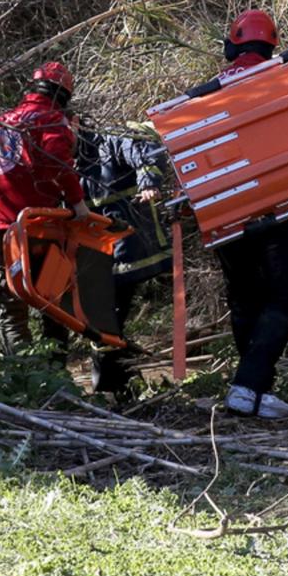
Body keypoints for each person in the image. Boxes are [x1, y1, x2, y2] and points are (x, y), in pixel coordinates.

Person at [213, 9, 288, 419]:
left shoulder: (209, 92)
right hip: (278, 207)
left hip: (225, 210)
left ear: (233, 43)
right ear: (272, 43)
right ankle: (249, 385)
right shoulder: (282, 80)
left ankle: (254, 390)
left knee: (245, 296)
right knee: (285, 294)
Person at [0, 61, 89, 357]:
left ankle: (23, 371)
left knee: (10, 303)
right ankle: (55, 370)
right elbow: (57, 162)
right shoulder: (51, 121)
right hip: (38, 224)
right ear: (63, 94)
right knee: (51, 295)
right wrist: (77, 203)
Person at [75, 120, 171, 394]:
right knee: (105, 318)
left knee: (108, 315)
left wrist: (148, 183)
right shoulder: (60, 154)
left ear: (73, 122)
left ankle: (112, 386)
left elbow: (147, 152)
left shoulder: (109, 139)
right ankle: (118, 383)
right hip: (97, 252)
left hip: (128, 246)